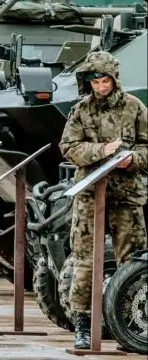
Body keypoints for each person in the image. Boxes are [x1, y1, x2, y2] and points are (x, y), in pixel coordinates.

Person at [59, 50, 148, 350]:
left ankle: (131, 324)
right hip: (89, 195)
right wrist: (102, 151)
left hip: (126, 196)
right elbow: (68, 147)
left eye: (104, 81)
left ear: (114, 79)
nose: (100, 87)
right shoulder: (81, 111)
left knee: (133, 261)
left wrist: (131, 159)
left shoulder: (134, 108)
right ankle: (82, 325)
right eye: (94, 82)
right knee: (85, 261)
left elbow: (147, 148)